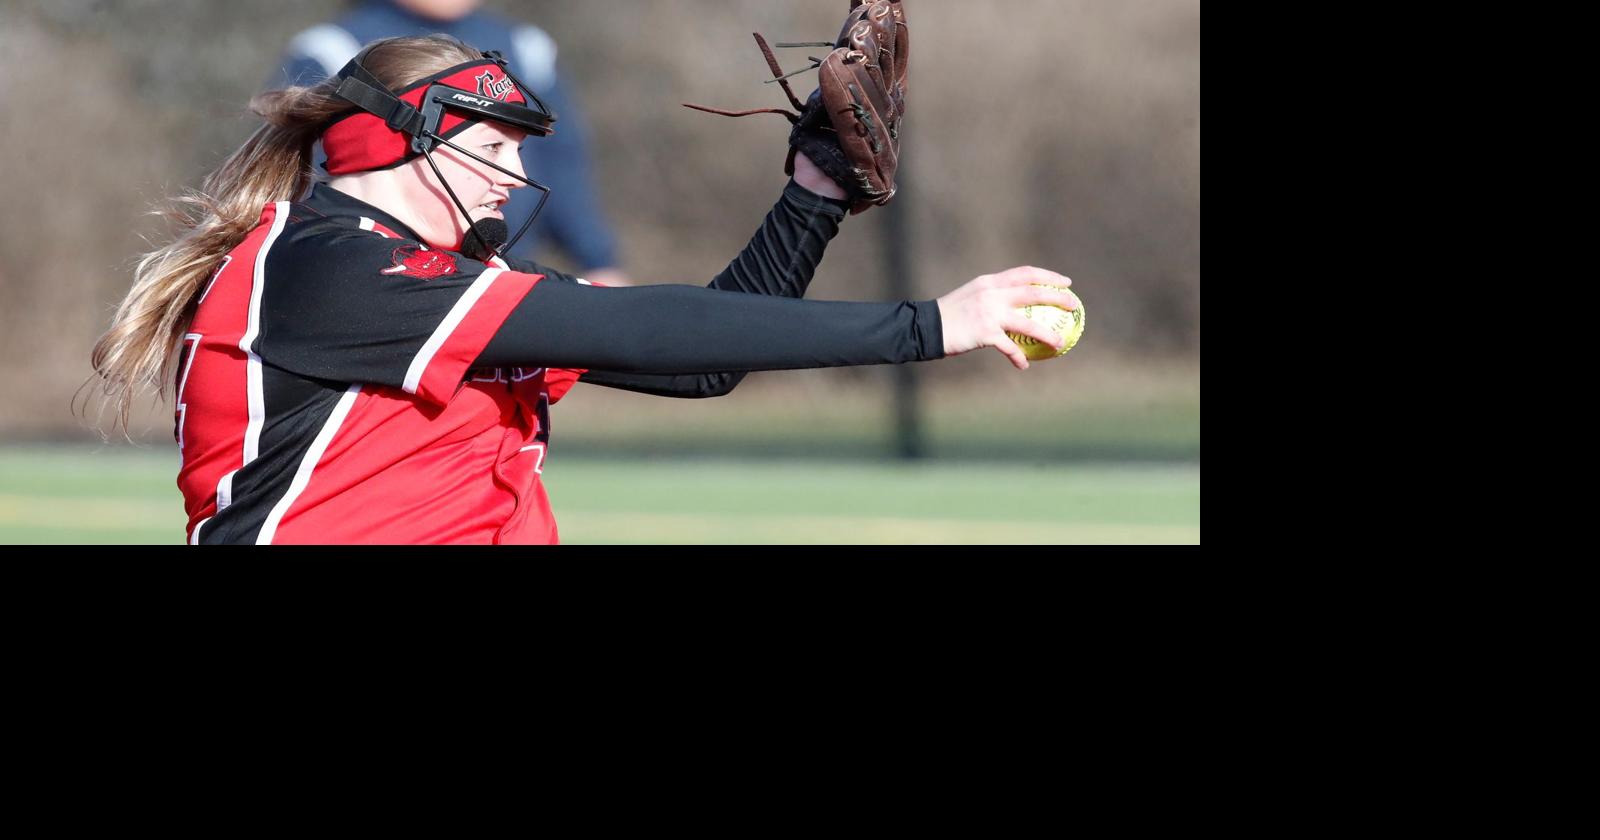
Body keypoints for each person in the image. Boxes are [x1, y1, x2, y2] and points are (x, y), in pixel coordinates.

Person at [89, 34, 1078, 545]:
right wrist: (932, 325)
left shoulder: (435, 285)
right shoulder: (331, 268)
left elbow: (698, 368)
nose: (510, 179)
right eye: (488, 148)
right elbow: (639, 321)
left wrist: (811, 195)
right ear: (398, 141)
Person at [273, 0, 630, 286]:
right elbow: (304, 170)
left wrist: (597, 259)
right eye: (493, 148)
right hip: (383, 267)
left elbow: (564, 164)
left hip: (498, 265)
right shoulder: (333, 47)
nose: (515, 176)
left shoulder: (526, 44)